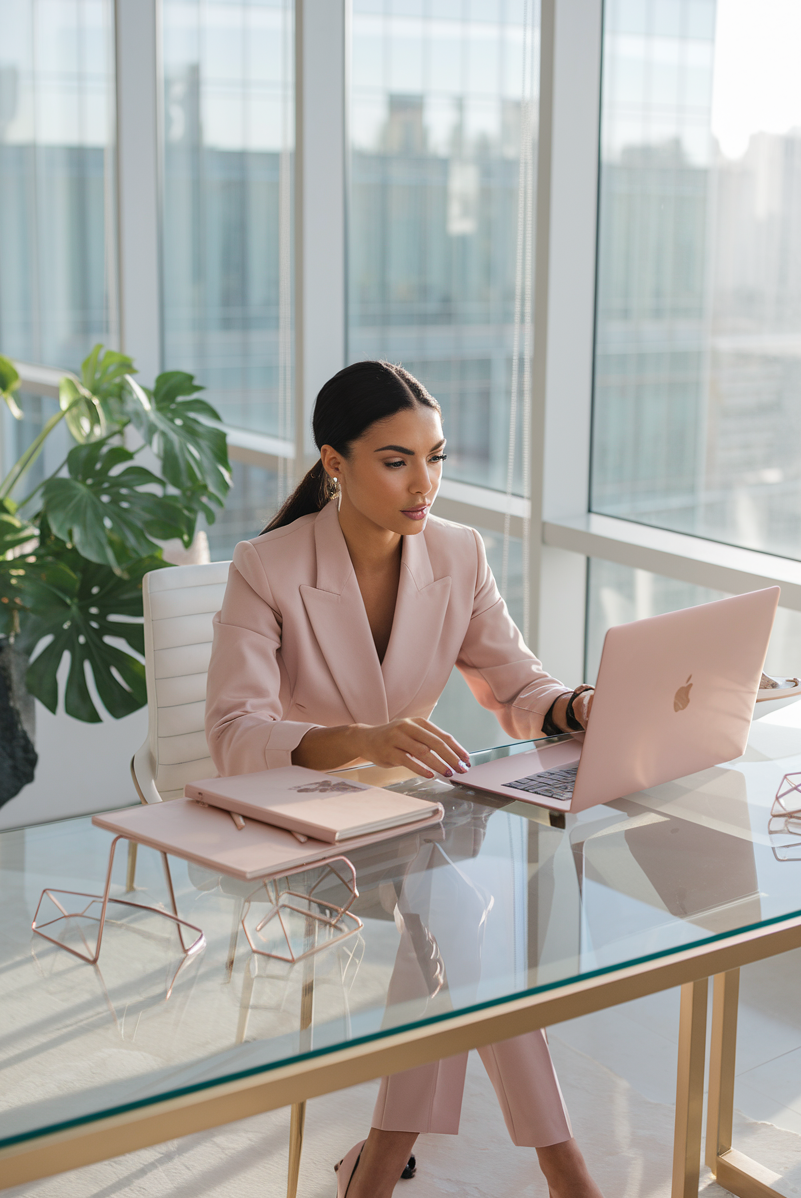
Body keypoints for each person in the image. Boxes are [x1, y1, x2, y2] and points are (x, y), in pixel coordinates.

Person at [205, 361, 603, 1198]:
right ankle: (564, 1168)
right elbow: (234, 738)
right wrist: (358, 738)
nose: (424, 484)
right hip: (302, 823)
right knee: (464, 908)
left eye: (437, 457)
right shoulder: (265, 567)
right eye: (396, 460)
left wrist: (575, 705)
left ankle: (379, 1167)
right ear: (334, 463)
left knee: (456, 906)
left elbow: (518, 689)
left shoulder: (458, 553)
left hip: (419, 823)